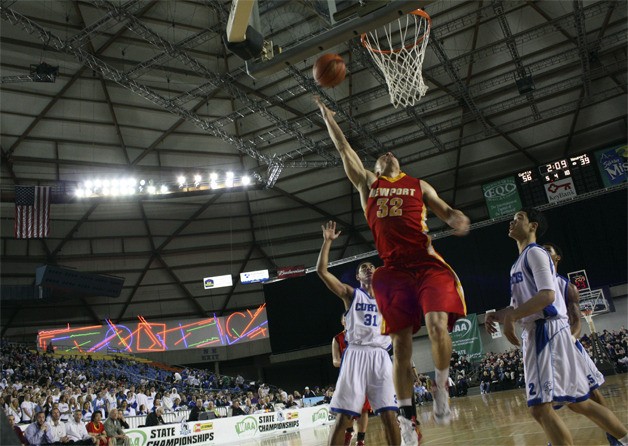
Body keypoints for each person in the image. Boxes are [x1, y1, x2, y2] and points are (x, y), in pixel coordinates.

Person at [317, 98, 470, 444]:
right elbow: (344, 150)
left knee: (436, 324)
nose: (387, 153)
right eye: (380, 156)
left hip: (426, 263)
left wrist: (457, 219)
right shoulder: (369, 185)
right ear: (374, 167)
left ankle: (441, 386)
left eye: (391, 153)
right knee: (399, 349)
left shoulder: (420, 184)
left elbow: (446, 210)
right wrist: (329, 119)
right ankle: (407, 419)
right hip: (394, 272)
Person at [485, 208, 628, 446]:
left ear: (533, 226)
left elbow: (548, 296)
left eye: (518, 218)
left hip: (547, 331)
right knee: (578, 402)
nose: (511, 222)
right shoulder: (517, 264)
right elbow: (518, 308)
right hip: (539, 332)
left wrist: (512, 318)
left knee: (540, 409)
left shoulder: (536, 253)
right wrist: (497, 316)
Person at [317, 221, 401, 446]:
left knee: (389, 414)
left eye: (372, 267)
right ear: (358, 277)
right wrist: (327, 242)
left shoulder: (388, 299)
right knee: (344, 417)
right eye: (363, 268)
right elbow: (322, 271)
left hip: (380, 356)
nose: (369, 269)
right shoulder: (351, 294)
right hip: (356, 353)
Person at [543, 242, 622, 446]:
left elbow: (577, 320)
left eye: (547, 251)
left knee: (591, 394)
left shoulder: (567, 287)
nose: (542, 254)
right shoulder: (533, 285)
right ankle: (556, 440)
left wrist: (569, 339)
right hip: (544, 348)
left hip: (567, 345)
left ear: (557, 258)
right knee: (545, 401)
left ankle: (615, 437)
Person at [332, 315, 370, 446]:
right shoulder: (337, 339)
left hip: (363, 376)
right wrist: (346, 361)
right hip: (347, 378)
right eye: (345, 318)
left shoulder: (361, 336)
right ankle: (349, 431)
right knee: (347, 410)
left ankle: (360, 440)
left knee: (364, 410)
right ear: (342, 322)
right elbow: (335, 361)